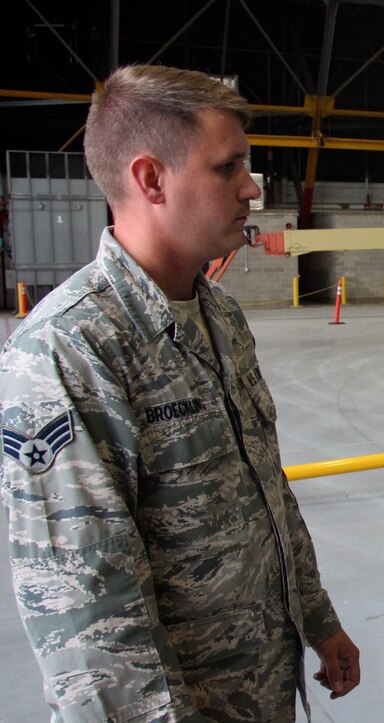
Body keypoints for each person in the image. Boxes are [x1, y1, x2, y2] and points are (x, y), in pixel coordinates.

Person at [0, 64, 360, 720]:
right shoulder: (69, 348)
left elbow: (264, 487)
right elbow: (86, 612)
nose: (252, 187)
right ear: (149, 178)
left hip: (260, 689)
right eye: (228, 168)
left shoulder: (220, 317)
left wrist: (315, 615)